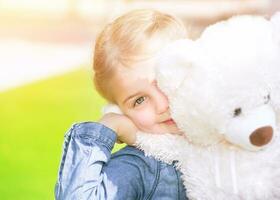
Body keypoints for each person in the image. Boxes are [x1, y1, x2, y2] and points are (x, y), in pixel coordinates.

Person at [55, 9, 188, 200]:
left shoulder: (230, 131)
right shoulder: (139, 167)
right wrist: (105, 129)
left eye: (165, 80)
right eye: (139, 100)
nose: (162, 106)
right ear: (119, 111)